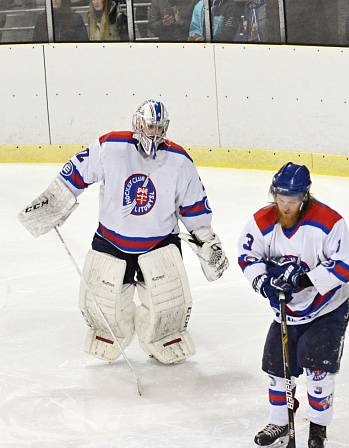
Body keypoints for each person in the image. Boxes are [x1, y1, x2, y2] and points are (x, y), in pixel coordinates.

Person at [18, 100, 229, 365]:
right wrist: (54, 202)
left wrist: (207, 240)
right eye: (149, 126)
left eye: (158, 127)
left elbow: (194, 205)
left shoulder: (179, 160)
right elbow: (76, 173)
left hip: (160, 243)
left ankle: (160, 338)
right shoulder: (111, 146)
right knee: (106, 313)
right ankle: (110, 333)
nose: (153, 132)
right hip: (111, 241)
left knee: (167, 308)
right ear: (138, 123)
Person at [238, 163, 349, 448]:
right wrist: (264, 283)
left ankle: (318, 424)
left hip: (327, 309)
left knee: (318, 372)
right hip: (287, 312)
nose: (285, 205)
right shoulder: (263, 221)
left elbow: (347, 266)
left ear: (304, 198)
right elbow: (247, 255)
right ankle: (279, 422)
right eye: (280, 198)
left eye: (291, 200)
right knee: (277, 369)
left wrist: (305, 279)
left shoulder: (329, 222)